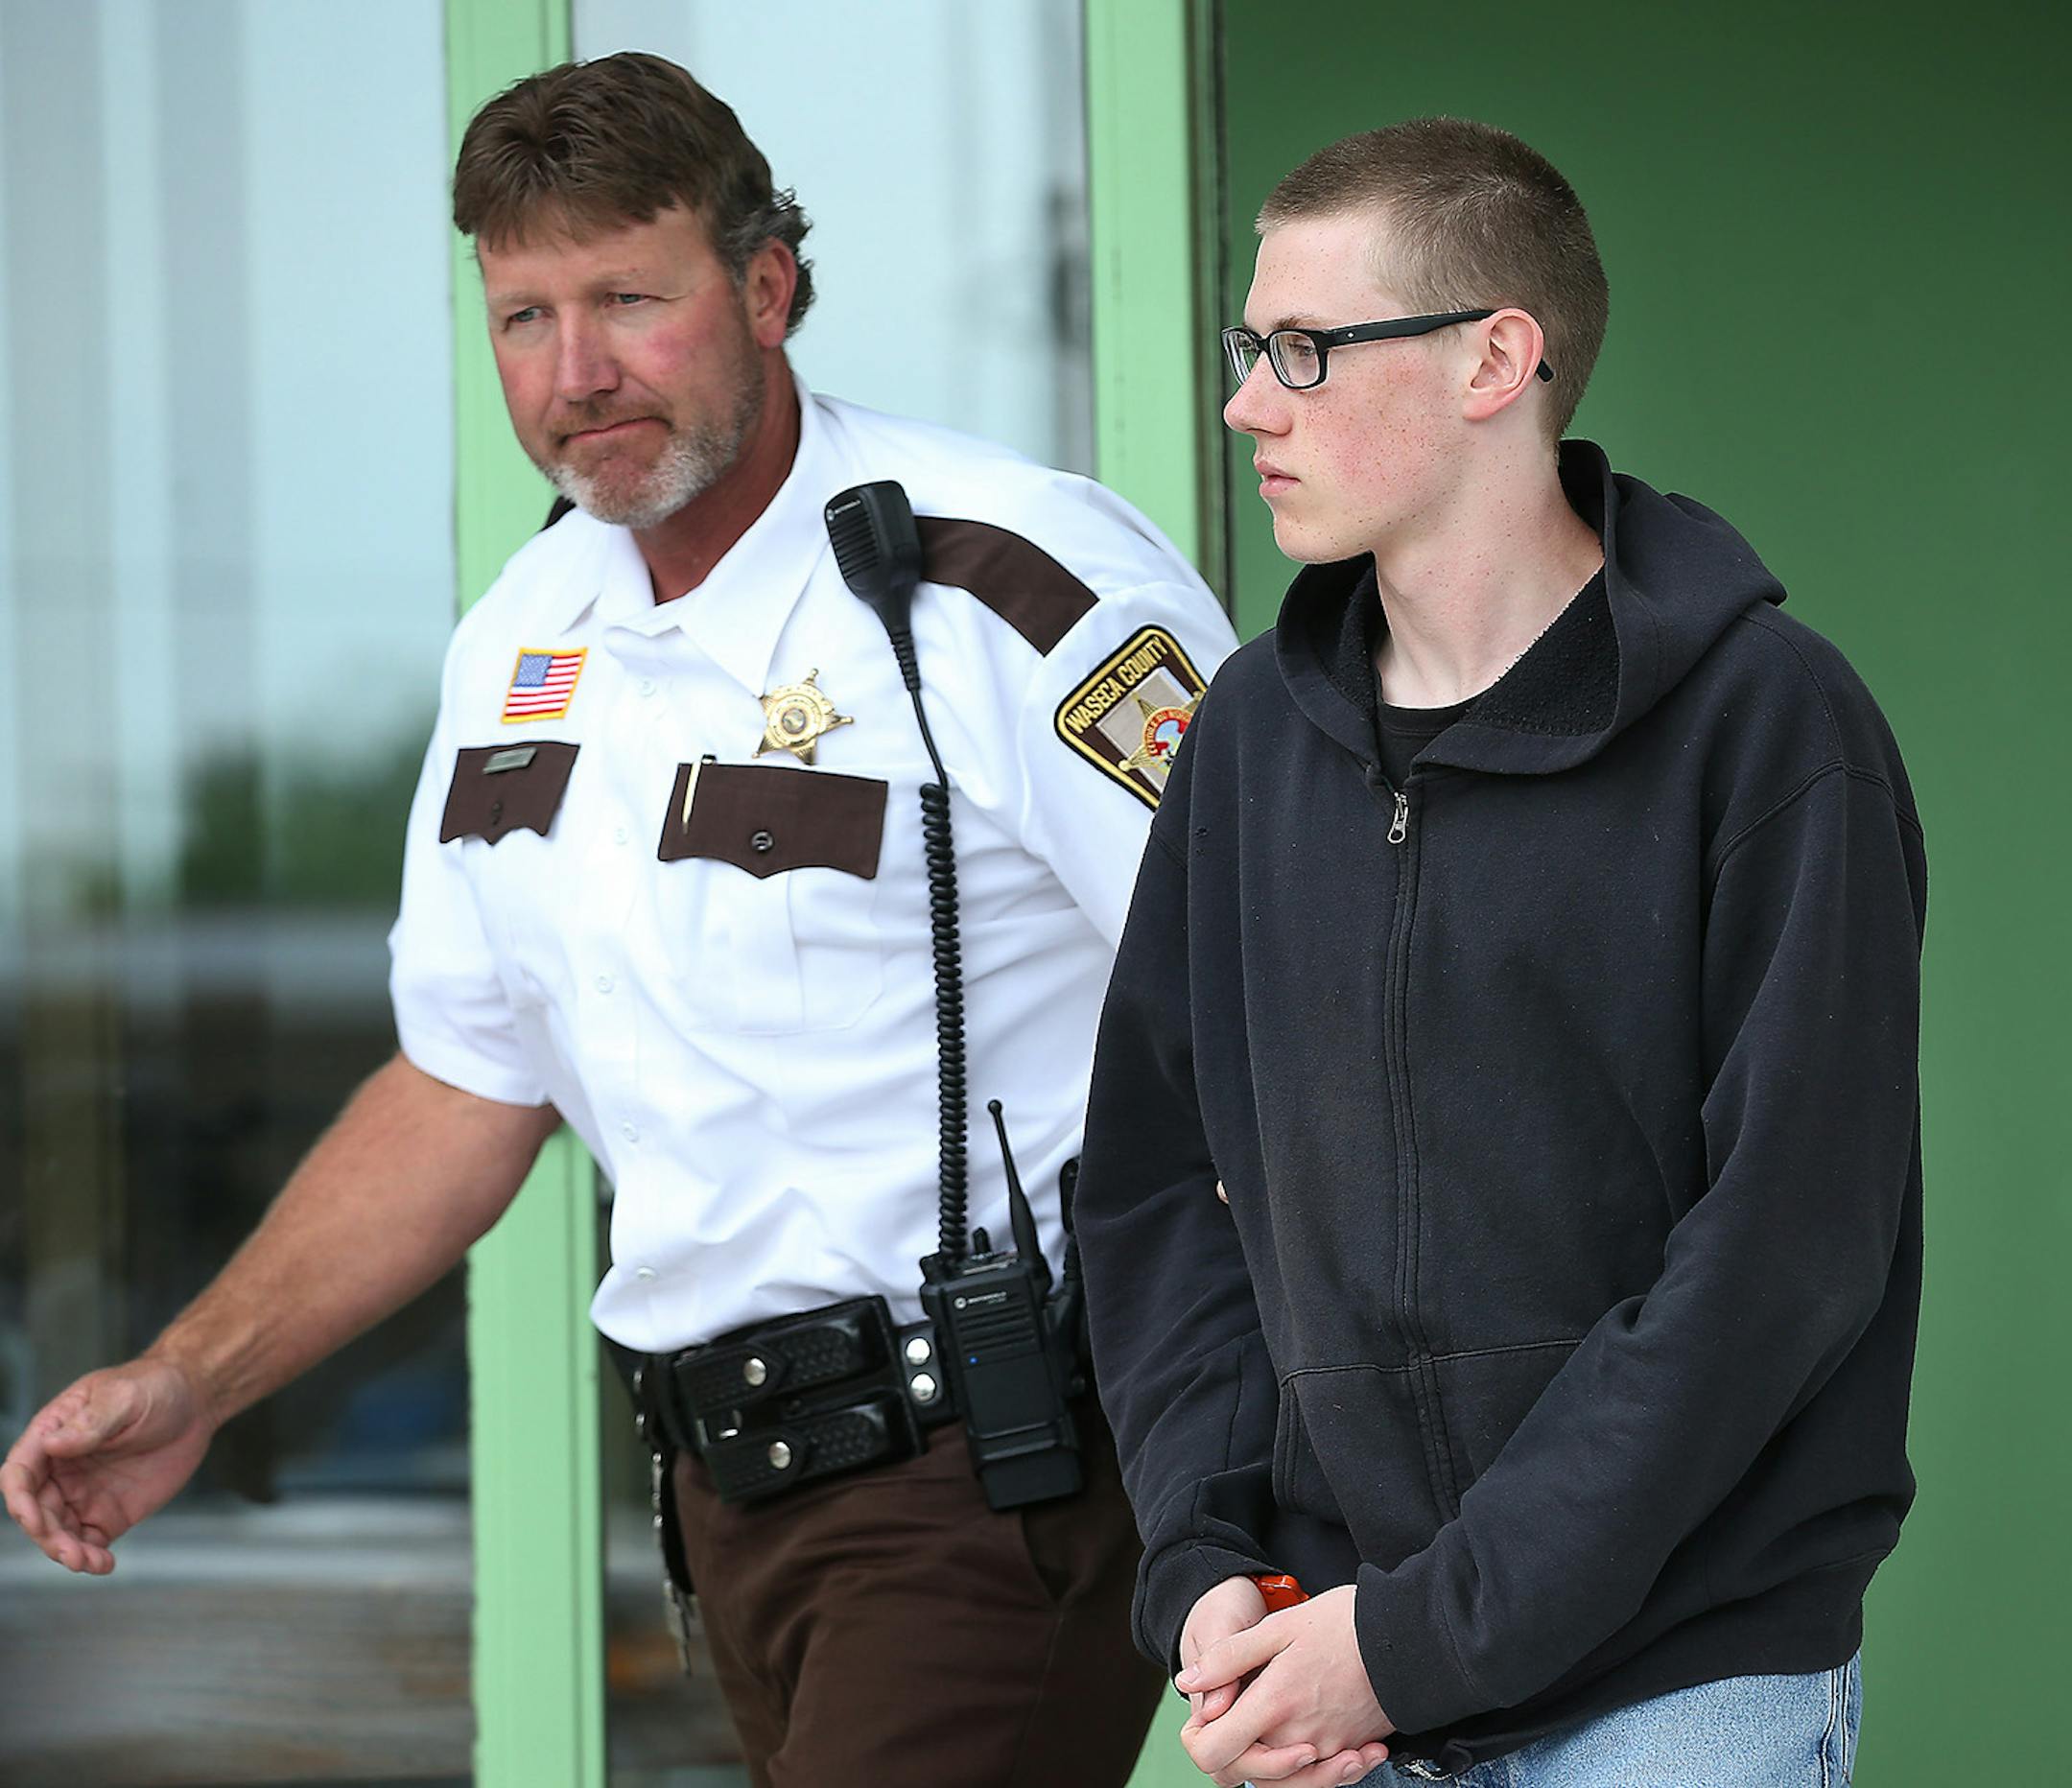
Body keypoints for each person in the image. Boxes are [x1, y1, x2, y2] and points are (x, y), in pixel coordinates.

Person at [2, 52, 1236, 1788]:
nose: (575, 373)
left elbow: (1284, 990)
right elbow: (465, 1082)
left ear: (767, 288)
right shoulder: (524, 633)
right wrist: (195, 1377)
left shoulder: (1002, 578)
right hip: (723, 1502)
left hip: (997, 1464)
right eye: (525, 317)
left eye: (630, 301)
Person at [1075, 118, 1923, 1788]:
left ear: (1494, 359)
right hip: (1329, 1661)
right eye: (1251, 350)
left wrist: (1412, 1643)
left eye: (1306, 349)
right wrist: (1209, 1562)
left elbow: (1783, 1252)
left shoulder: (1768, 726)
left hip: (1678, 1687)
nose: (1250, 406)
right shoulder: (1249, 738)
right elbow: (1158, 1187)